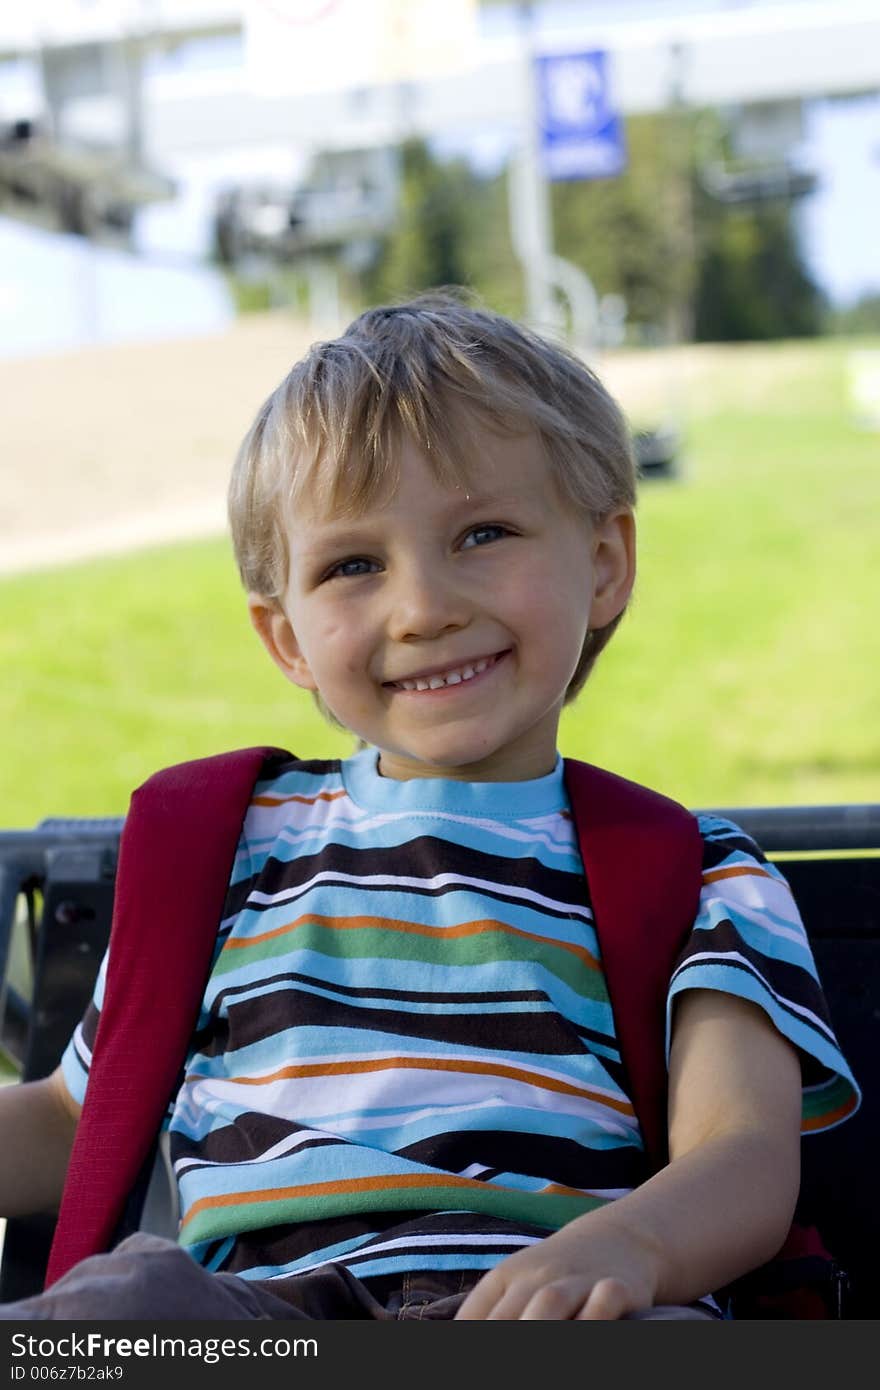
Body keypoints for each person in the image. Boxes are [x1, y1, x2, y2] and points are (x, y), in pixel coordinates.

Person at [0, 291, 859, 1321]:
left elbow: (742, 1152)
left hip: (557, 1310)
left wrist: (625, 1248)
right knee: (120, 1309)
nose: (422, 608)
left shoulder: (697, 876)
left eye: (482, 532)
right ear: (285, 638)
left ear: (603, 564)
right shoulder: (222, 848)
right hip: (256, 1322)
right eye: (353, 564)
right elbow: (69, 1116)